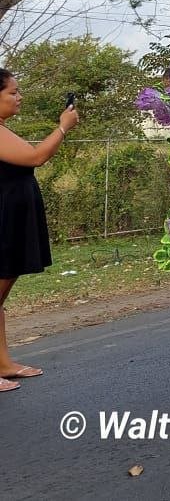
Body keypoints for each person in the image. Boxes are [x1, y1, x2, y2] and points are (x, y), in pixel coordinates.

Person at [0, 69, 79, 392]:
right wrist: (63, 126)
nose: (19, 97)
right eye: (12, 93)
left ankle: (3, 362)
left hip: (11, 219)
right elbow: (36, 157)